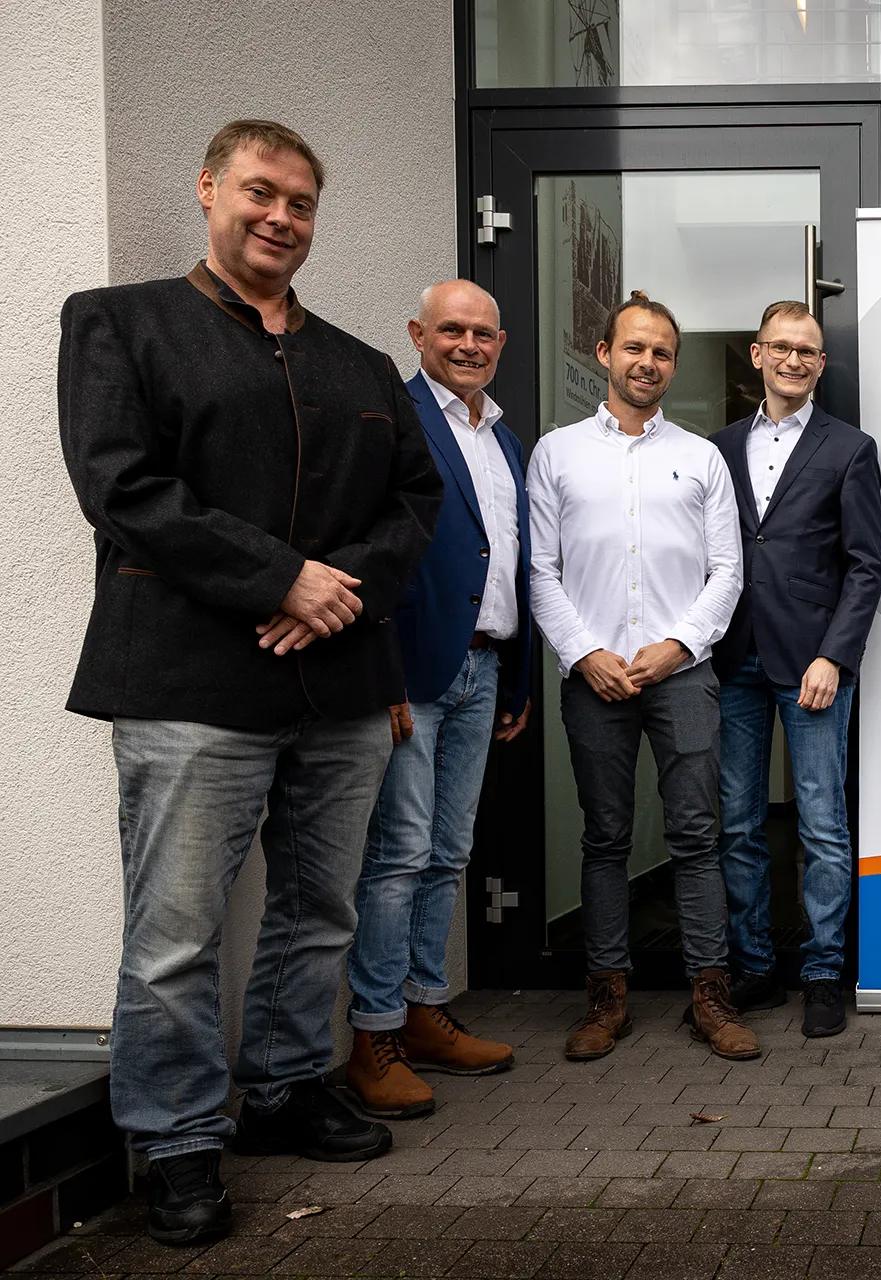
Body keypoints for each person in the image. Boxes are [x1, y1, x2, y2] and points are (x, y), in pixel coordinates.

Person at [58, 119, 442, 1245]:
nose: (280, 217)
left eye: (301, 203)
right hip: (188, 683)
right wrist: (281, 578)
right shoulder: (120, 323)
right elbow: (122, 488)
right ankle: (179, 1139)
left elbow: (415, 504)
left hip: (340, 687)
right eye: (260, 193)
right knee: (175, 930)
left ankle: (283, 1087)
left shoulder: (361, 366)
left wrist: (335, 590)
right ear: (209, 189)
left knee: (319, 908)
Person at [527, 290, 757, 1063]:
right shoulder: (556, 453)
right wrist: (585, 653)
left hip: (683, 675)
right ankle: (607, 1000)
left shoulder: (702, 458)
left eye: (661, 352)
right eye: (634, 347)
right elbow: (541, 571)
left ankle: (710, 997)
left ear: (673, 365)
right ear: (604, 354)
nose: (647, 362)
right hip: (593, 678)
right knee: (605, 839)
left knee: (696, 836)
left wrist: (679, 645)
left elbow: (727, 571)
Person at [344, 280, 529, 1118]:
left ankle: (422, 1010)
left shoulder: (505, 439)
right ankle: (374, 1033)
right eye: (452, 330)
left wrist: (515, 676)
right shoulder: (396, 418)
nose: (469, 345)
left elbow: (508, 559)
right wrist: (380, 673)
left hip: (482, 670)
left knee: (449, 852)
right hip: (412, 674)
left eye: (483, 333)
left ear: (501, 343)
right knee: (400, 855)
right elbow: (368, 552)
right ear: (418, 334)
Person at [711, 302, 881, 1038]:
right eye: (781, 347)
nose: (793, 360)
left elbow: (866, 566)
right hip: (731, 656)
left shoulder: (850, 448)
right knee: (738, 823)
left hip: (812, 663)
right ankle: (754, 967)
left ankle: (821, 973)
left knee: (821, 825)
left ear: (821, 364)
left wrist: (834, 656)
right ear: (757, 354)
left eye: (807, 351)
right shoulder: (717, 448)